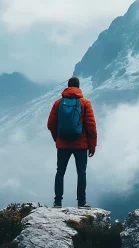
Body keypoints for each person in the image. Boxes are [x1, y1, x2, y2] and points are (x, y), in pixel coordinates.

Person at [47, 77, 97, 209]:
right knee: (81, 172)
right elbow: (91, 127)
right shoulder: (85, 103)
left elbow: (50, 124)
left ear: (68, 86)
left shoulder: (58, 103)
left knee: (60, 172)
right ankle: (81, 202)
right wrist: (92, 146)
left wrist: (57, 139)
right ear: (79, 87)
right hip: (81, 145)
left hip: (62, 144)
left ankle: (57, 202)